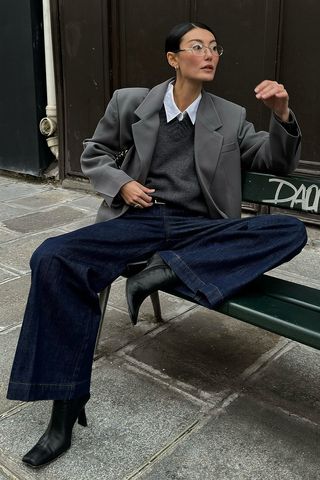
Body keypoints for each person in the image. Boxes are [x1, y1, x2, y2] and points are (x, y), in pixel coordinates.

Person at [7, 21, 307, 468]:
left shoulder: (230, 115)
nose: (210, 54)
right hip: (140, 220)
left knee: (289, 230)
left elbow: (275, 162)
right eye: (197, 46)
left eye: (214, 47)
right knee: (52, 256)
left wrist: (281, 113)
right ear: (173, 59)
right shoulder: (131, 103)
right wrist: (123, 184)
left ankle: (164, 269)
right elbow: (94, 152)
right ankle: (63, 414)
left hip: (199, 227)